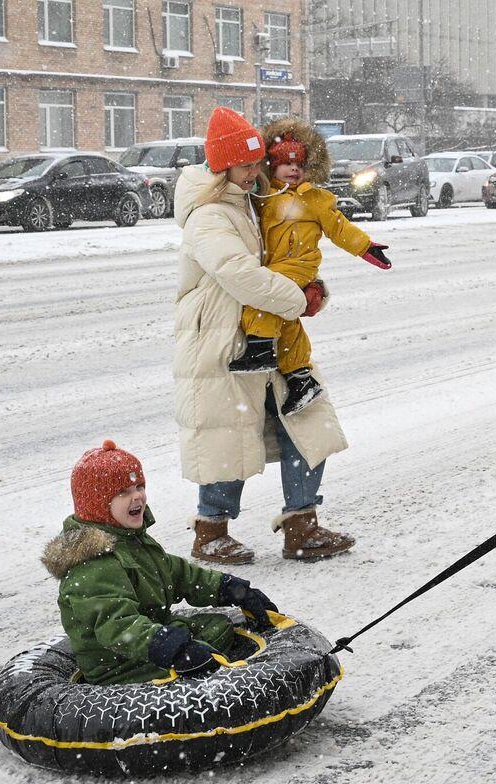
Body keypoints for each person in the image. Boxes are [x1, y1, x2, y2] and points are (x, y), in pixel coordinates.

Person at [175, 106, 356, 565]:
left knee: (306, 422)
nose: (257, 173)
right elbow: (240, 274)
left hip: (273, 332)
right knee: (230, 434)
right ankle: (210, 531)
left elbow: (288, 251)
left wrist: (311, 285)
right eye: (246, 165)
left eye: (259, 163)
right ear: (222, 167)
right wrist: (298, 298)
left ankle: (302, 526)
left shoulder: (254, 201)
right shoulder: (209, 214)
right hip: (225, 339)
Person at [42, 440, 283, 685]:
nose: (137, 496)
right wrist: (168, 647)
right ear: (98, 505)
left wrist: (228, 587)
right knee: (205, 658)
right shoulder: (94, 565)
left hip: (149, 637)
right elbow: (117, 626)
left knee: (218, 628)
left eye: (139, 486)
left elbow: (176, 573)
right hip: (119, 666)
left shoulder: (131, 539)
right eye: (123, 492)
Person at [231, 117, 392, 417]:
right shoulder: (264, 196)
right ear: (272, 166)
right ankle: (301, 380)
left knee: (264, 294)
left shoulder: (315, 199)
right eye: (285, 164)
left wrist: (366, 247)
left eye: (299, 165)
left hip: (301, 265)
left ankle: (261, 348)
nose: (294, 170)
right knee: (287, 318)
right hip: (275, 264)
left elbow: (340, 228)